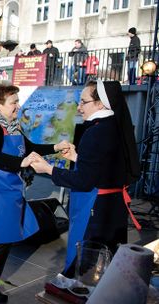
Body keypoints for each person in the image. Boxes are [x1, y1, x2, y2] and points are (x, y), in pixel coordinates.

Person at [30, 80, 139, 277]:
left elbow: (83, 180)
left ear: (100, 104)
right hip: (112, 207)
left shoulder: (95, 132)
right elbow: (104, 168)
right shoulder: (115, 127)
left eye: (83, 102)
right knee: (109, 262)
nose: (79, 108)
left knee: (85, 267)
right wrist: (77, 157)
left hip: (95, 210)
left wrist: (48, 169)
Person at [0, 83, 70, 301]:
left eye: (17, 101)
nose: (18, 106)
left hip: (10, 187)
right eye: (14, 102)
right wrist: (21, 162)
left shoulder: (14, 126)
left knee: (5, 238)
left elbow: (29, 148)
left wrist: (56, 147)